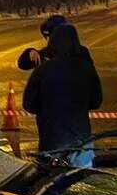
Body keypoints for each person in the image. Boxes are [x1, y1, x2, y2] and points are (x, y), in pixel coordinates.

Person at [23, 22, 102, 167]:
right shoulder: (86, 66)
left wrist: (47, 110)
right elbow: (96, 101)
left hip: (52, 140)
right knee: (82, 182)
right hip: (81, 139)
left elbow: (29, 104)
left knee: (54, 183)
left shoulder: (44, 69)